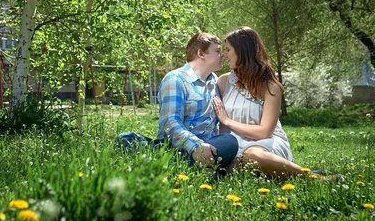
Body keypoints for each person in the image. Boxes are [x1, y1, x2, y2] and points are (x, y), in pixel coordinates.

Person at [213, 27, 334, 180]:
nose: (224, 55)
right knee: (229, 169)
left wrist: (227, 121)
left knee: (252, 157)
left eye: (228, 50)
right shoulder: (223, 82)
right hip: (235, 145)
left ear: (242, 52)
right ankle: (275, 170)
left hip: (265, 143)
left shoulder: (270, 87)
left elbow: (265, 132)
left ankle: (313, 178)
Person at [117, 32, 238, 170]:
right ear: (201, 54)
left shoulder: (216, 82)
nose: (222, 55)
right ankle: (195, 167)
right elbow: (170, 122)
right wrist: (195, 146)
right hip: (175, 147)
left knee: (229, 142)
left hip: (210, 147)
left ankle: (173, 166)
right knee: (125, 139)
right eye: (217, 51)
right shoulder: (175, 79)